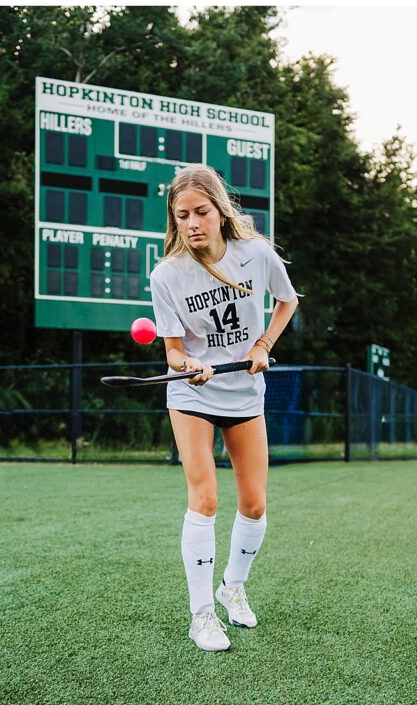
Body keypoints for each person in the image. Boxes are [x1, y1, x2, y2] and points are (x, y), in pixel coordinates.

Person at [149, 164, 298, 652]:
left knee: (254, 504)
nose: (192, 223)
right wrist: (188, 362)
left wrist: (262, 344)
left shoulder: (255, 255)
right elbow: (173, 351)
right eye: (182, 215)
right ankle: (201, 616)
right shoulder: (168, 274)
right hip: (192, 393)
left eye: (201, 212)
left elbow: (287, 300)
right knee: (206, 497)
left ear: (220, 210)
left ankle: (232, 586)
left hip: (243, 393)